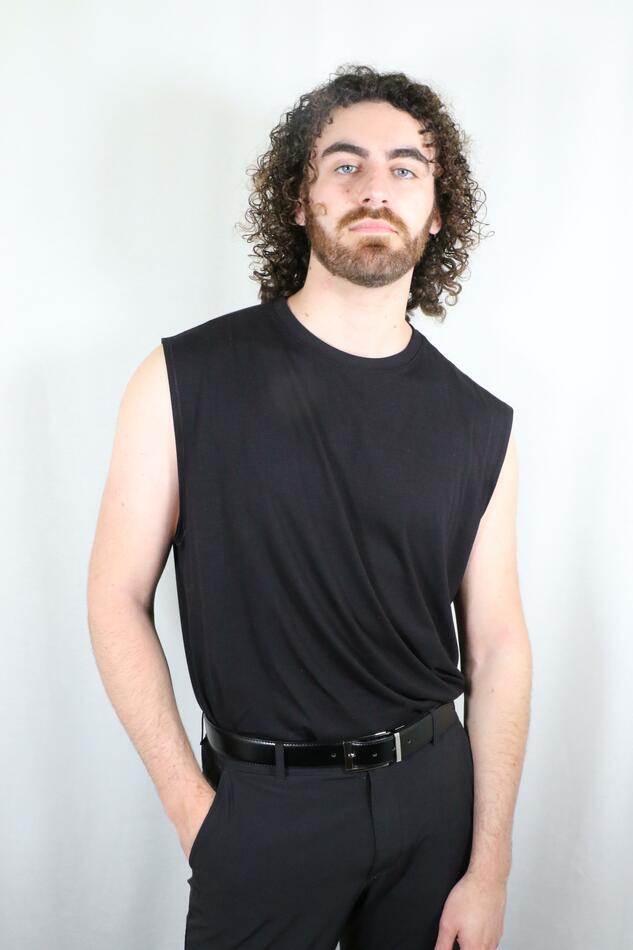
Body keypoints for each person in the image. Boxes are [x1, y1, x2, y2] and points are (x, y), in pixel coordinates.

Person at [87, 64, 532, 950]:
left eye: (405, 168)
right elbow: (114, 596)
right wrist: (190, 808)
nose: (376, 187)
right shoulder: (183, 377)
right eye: (345, 164)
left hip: (432, 802)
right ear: (298, 198)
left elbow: (497, 646)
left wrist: (489, 868)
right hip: (264, 813)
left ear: (436, 212)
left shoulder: (480, 422)